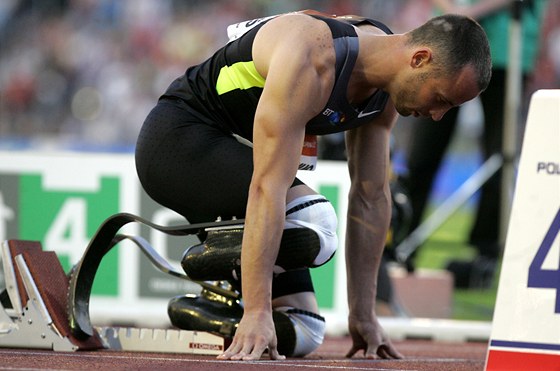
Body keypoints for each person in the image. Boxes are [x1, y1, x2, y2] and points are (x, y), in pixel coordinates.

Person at [135, 9, 491, 360]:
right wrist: (257, 310)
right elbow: (267, 186)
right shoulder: (313, 57)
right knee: (313, 220)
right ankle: (222, 278)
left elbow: (371, 196)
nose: (437, 115)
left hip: (236, 157)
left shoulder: (386, 86)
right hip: (177, 144)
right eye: (441, 99)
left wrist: (363, 314)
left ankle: (211, 304)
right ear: (420, 59)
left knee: (305, 331)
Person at [402, 0, 545, 288]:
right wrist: (455, 12)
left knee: (499, 156)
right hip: (447, 44)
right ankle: (401, 242)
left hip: (506, 48)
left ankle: (484, 255)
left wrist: (468, 15)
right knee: (423, 153)